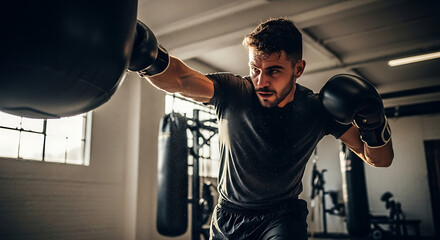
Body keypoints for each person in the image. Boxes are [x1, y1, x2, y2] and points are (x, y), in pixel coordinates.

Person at [129, 18, 394, 240]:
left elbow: (379, 159)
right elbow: (180, 77)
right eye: (255, 69)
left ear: (298, 69)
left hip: (281, 217)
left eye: (274, 71)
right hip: (227, 217)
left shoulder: (318, 110)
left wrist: (374, 124)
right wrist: (147, 59)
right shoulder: (234, 92)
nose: (261, 81)